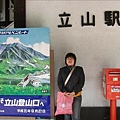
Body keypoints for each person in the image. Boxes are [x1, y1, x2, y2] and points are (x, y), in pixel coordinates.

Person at [57, 52, 85, 120]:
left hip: (76, 95)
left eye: (71, 58)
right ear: (65, 60)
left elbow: (81, 82)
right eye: (68, 58)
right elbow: (59, 82)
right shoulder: (62, 70)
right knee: (67, 116)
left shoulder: (79, 69)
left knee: (75, 116)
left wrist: (74, 92)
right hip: (66, 96)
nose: (69, 60)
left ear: (75, 60)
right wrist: (65, 92)